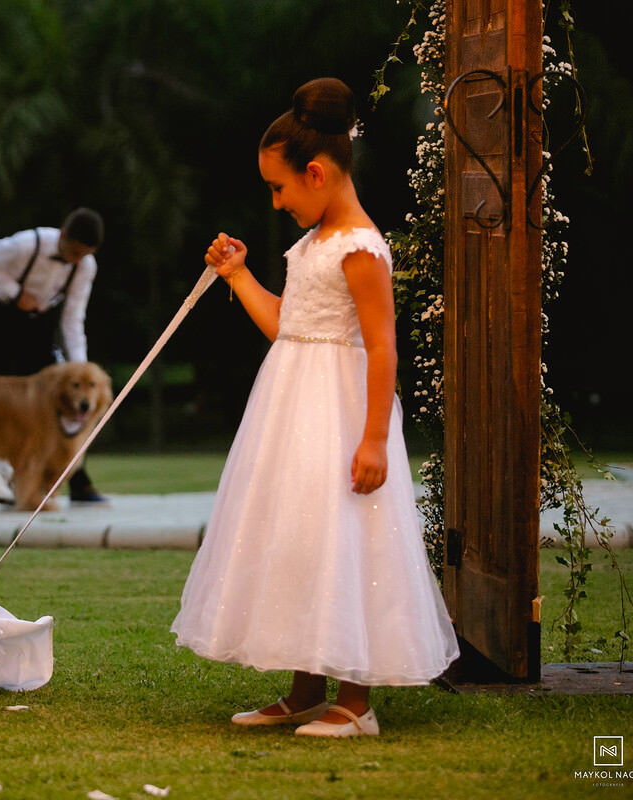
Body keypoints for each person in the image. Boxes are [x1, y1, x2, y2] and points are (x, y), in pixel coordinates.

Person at [170, 78, 458, 737]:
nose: (275, 203)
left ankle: (355, 701)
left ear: (318, 172)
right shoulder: (312, 243)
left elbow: (383, 347)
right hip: (289, 407)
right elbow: (288, 326)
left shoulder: (359, 247)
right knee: (300, 537)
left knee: (343, 538)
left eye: (280, 188)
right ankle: (306, 685)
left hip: (338, 410)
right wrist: (239, 276)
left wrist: (375, 439)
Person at [0, 208, 107, 504]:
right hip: (1, 323)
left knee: (57, 404)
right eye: (72, 251)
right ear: (61, 236)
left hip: (40, 327)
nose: (75, 260)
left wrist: (79, 368)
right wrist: (15, 291)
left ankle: (77, 482)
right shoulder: (27, 244)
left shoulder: (85, 266)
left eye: (82, 255)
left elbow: (72, 318)